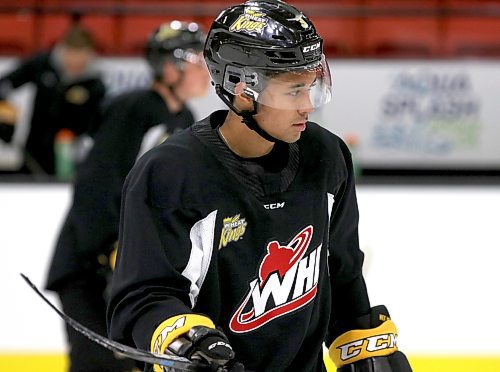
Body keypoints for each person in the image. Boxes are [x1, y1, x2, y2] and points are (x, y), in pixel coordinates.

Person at [107, 1, 413, 372]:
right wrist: (188, 342)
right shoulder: (172, 172)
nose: (307, 106)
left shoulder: (326, 156)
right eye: (293, 91)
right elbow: (142, 298)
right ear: (242, 90)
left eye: (312, 86)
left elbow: (342, 272)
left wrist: (363, 343)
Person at [45, 21, 210, 372]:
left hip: (129, 267)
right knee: (98, 365)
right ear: (170, 67)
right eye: (197, 59)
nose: (205, 69)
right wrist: (110, 248)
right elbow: (96, 185)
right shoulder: (133, 109)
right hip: (90, 265)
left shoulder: (185, 117)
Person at [0, 24, 105, 176]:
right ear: (62, 50)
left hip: (69, 156)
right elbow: (6, 84)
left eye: (81, 56)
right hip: (32, 151)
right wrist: (6, 114)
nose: (75, 62)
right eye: (71, 54)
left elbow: (96, 125)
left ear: (89, 54)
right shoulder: (43, 64)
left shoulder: (95, 85)